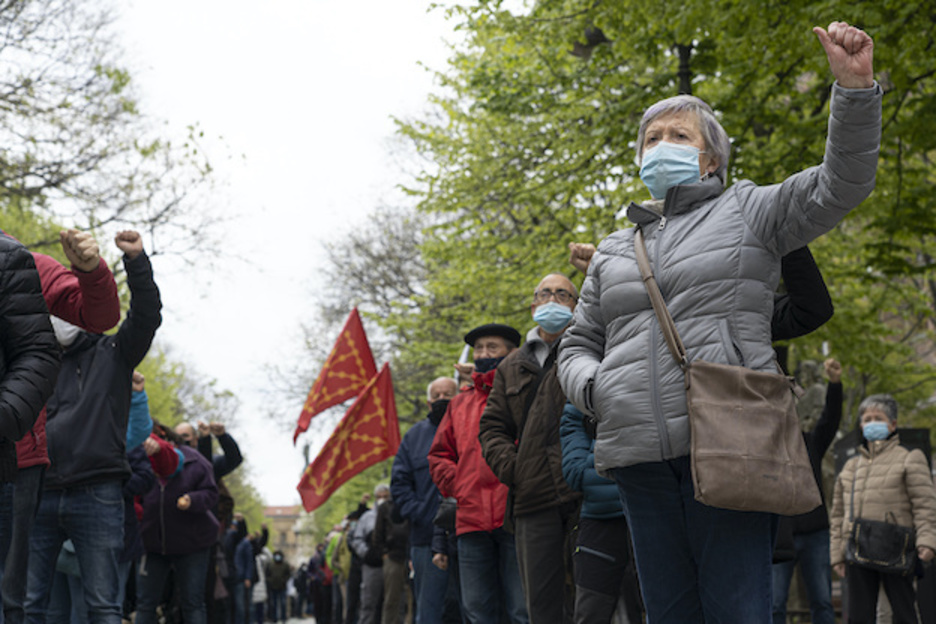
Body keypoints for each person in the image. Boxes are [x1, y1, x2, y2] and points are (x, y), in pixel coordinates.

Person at [557, 22, 881, 621]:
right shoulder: (614, 249)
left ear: (710, 157)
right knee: (667, 612)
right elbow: (577, 342)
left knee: (736, 609)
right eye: (651, 138)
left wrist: (854, 93)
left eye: (678, 134)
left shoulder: (749, 209)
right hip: (638, 458)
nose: (661, 144)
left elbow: (842, 183)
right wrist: (598, 389)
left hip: (730, 441)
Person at [25, 230, 162, 624]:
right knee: (29, 603)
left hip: (97, 491)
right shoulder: (33, 359)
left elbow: (147, 316)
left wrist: (136, 262)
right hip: (39, 491)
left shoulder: (114, 352)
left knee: (103, 605)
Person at [2, 228, 118, 624]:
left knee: (8, 594)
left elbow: (100, 317)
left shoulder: (22, 262)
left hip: (14, 458)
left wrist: (92, 271)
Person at [478, 274, 583, 624]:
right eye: (545, 294)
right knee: (541, 605)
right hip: (532, 497)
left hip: (587, 492)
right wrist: (515, 469)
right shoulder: (510, 366)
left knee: (596, 600)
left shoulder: (590, 347)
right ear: (534, 305)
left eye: (563, 294)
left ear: (576, 305)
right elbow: (492, 428)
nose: (553, 300)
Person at [429, 323, 528, 624]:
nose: (484, 354)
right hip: (470, 520)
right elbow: (439, 455)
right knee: (476, 612)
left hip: (516, 516)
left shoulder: (524, 393)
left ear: (512, 353)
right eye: (479, 348)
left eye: (492, 347)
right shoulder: (459, 404)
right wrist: (460, 485)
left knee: (522, 610)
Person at [829, 394, 936, 622]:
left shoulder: (909, 458)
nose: (872, 423)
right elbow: (837, 514)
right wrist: (837, 555)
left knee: (904, 613)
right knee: (859, 616)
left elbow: (925, 505)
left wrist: (927, 541)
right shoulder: (850, 467)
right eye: (867, 419)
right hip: (856, 549)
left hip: (896, 548)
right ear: (861, 425)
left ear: (893, 424)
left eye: (878, 418)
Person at [772, 358, 843, 624]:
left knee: (822, 600)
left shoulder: (811, 443)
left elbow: (830, 419)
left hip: (815, 534)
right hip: (781, 535)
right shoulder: (768, 451)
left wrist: (835, 384)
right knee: (775, 602)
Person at [390, 376, 458, 624]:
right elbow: (399, 484)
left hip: (470, 535)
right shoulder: (413, 437)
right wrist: (422, 513)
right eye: (437, 395)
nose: (442, 399)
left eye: (448, 394)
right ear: (429, 402)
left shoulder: (472, 427)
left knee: (472, 608)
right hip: (425, 538)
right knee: (429, 611)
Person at [349, 484, 390, 624]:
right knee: (368, 602)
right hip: (372, 566)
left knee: (392, 602)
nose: (382, 499)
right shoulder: (367, 517)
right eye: (379, 497)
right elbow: (356, 540)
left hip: (392, 563)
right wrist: (367, 554)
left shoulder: (396, 514)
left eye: (385, 496)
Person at [373, 491, 410, 624]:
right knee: (391, 599)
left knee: (412, 601)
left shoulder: (413, 501)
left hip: (412, 554)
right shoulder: (385, 507)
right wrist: (384, 553)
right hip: (393, 556)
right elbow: (378, 533)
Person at [266, 550, 292, 624]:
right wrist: (270, 581)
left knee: (283, 603)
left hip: (282, 587)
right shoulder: (270, 565)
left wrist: (284, 580)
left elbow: (289, 574)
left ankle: (283, 618)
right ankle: (274, 618)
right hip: (273, 587)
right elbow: (267, 574)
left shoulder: (285, 565)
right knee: (274, 604)